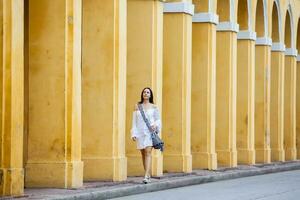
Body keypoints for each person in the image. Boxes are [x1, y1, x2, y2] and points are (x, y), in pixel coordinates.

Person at [131, 87, 161, 184]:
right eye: (144, 92)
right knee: (143, 154)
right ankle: (147, 174)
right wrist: (134, 133)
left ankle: (146, 176)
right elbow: (134, 122)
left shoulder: (154, 107)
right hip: (140, 133)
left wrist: (155, 126)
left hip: (149, 132)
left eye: (148, 92)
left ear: (150, 95)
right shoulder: (137, 106)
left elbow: (158, 120)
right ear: (142, 94)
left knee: (148, 152)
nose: (146, 93)